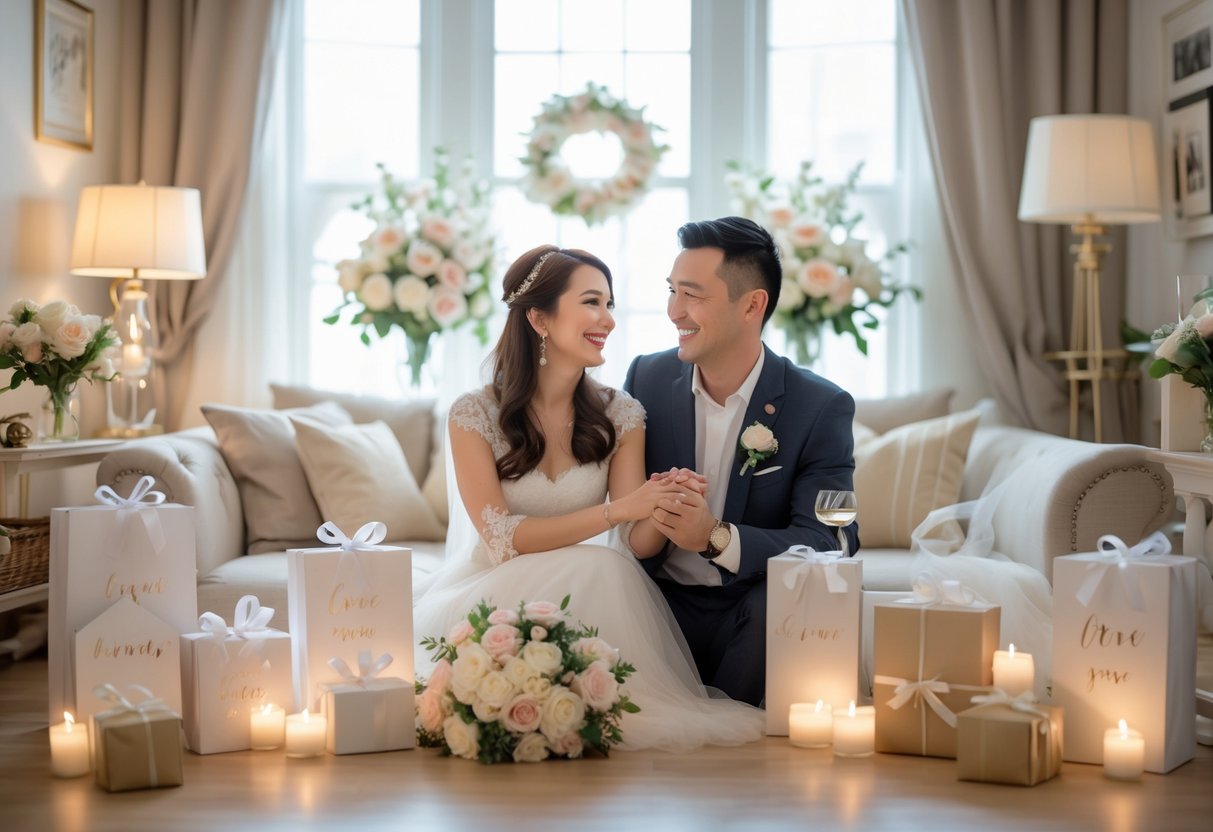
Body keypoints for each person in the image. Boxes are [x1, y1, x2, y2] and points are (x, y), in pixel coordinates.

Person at [413, 244, 764, 752]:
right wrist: (619, 508)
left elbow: (636, 543)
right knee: (599, 569)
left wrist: (663, 503)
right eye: (592, 303)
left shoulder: (622, 413)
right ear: (539, 317)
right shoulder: (474, 414)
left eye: (610, 305)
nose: (608, 320)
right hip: (494, 587)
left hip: (586, 589)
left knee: (610, 568)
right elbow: (501, 539)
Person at [624, 216, 859, 707]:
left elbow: (836, 537)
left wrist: (715, 537)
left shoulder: (822, 406)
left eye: (692, 295)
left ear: (753, 304)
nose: (674, 311)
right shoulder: (646, 377)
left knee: (776, 604)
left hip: (753, 610)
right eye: (671, 291)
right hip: (656, 603)